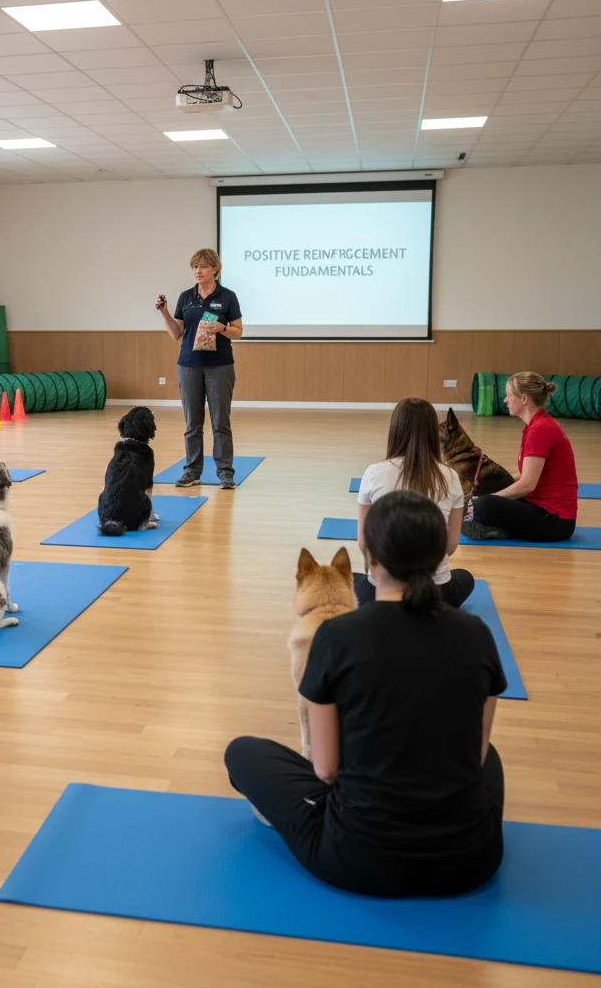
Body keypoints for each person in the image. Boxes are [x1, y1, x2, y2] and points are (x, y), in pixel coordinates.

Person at [225, 490, 506, 898]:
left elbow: (324, 771)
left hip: (357, 858)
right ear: (439, 559)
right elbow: (476, 757)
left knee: (242, 752)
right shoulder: (476, 634)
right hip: (470, 859)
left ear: (370, 558)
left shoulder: (336, 636)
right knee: (491, 757)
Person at [356, 397, 473, 608]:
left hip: (381, 590)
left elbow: (364, 542)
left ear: (395, 430)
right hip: (435, 592)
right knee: (464, 577)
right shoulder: (450, 476)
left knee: (348, 578)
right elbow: (450, 546)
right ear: (432, 433)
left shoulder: (373, 473)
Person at [156, 248, 243, 490]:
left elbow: (238, 332)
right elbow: (176, 334)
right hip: (189, 366)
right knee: (192, 423)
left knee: (220, 422)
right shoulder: (186, 297)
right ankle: (192, 471)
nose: (198, 271)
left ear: (214, 269)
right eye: (195, 267)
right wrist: (164, 312)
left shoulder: (227, 296)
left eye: (203, 267)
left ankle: (225, 473)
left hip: (220, 366)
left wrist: (221, 328)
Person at [469, 372, 577, 542]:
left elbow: (527, 484)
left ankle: (488, 524)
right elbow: (522, 475)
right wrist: (490, 489)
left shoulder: (541, 429)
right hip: (538, 507)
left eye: (509, 395)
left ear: (524, 399)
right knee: (489, 485)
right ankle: (484, 519)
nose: (505, 400)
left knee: (484, 506)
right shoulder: (536, 425)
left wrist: (490, 498)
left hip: (554, 521)